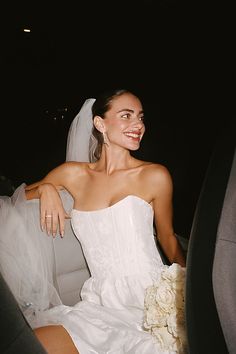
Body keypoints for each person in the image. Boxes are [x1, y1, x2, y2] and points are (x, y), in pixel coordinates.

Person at [3, 89, 186, 353]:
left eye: (141, 117)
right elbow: (16, 200)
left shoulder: (155, 175)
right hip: (99, 304)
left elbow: (167, 238)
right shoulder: (73, 175)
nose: (138, 126)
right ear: (100, 124)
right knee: (33, 343)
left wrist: (194, 288)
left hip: (152, 300)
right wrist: (46, 189)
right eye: (126, 116)